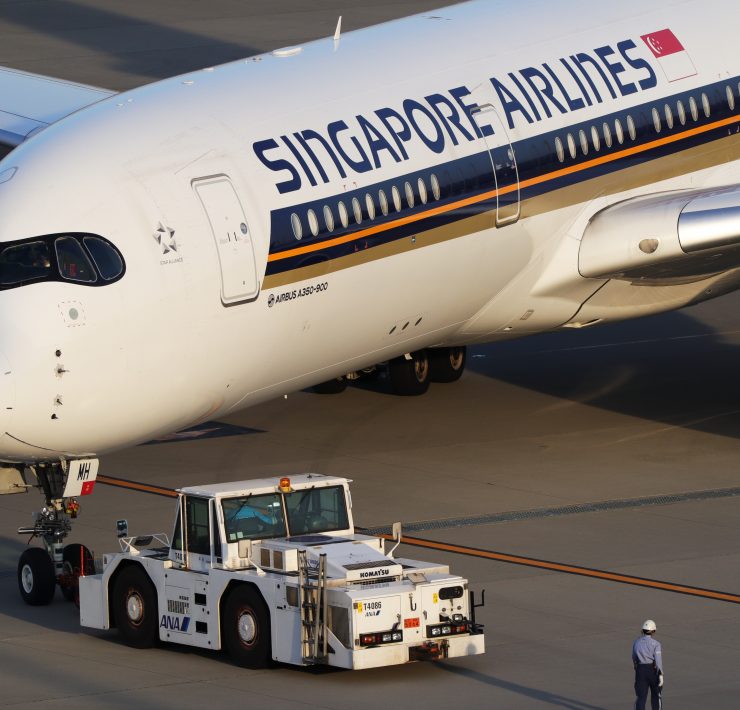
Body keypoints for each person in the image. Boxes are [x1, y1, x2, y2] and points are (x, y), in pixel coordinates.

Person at [632, 619, 664, 710]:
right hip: (652, 671)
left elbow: (634, 657)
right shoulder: (656, 644)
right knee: (656, 695)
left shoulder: (636, 642)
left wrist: (637, 668)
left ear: (643, 630)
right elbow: (658, 662)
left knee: (640, 697)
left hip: (640, 670)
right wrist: (661, 675)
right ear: (653, 631)